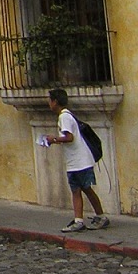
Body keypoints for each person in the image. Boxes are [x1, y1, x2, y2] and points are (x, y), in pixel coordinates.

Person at [43, 87, 110, 232]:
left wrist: (53, 139)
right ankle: (85, 219)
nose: (49, 103)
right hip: (78, 161)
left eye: (50, 100)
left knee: (80, 190)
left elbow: (69, 137)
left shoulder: (64, 117)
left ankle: (94, 218)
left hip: (79, 162)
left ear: (55, 101)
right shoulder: (67, 115)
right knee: (81, 190)